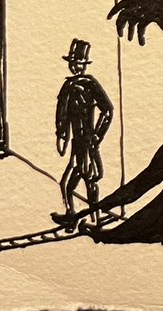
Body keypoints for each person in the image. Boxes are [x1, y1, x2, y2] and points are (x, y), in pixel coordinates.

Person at [50, 38, 113, 230]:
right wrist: (62, 135)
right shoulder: (68, 86)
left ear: (84, 64)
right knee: (72, 183)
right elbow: (62, 116)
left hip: (86, 143)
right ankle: (77, 216)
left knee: (84, 181)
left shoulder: (89, 84)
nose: (74, 66)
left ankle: (92, 219)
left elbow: (107, 110)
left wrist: (97, 135)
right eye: (72, 63)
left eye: (78, 63)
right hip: (78, 143)